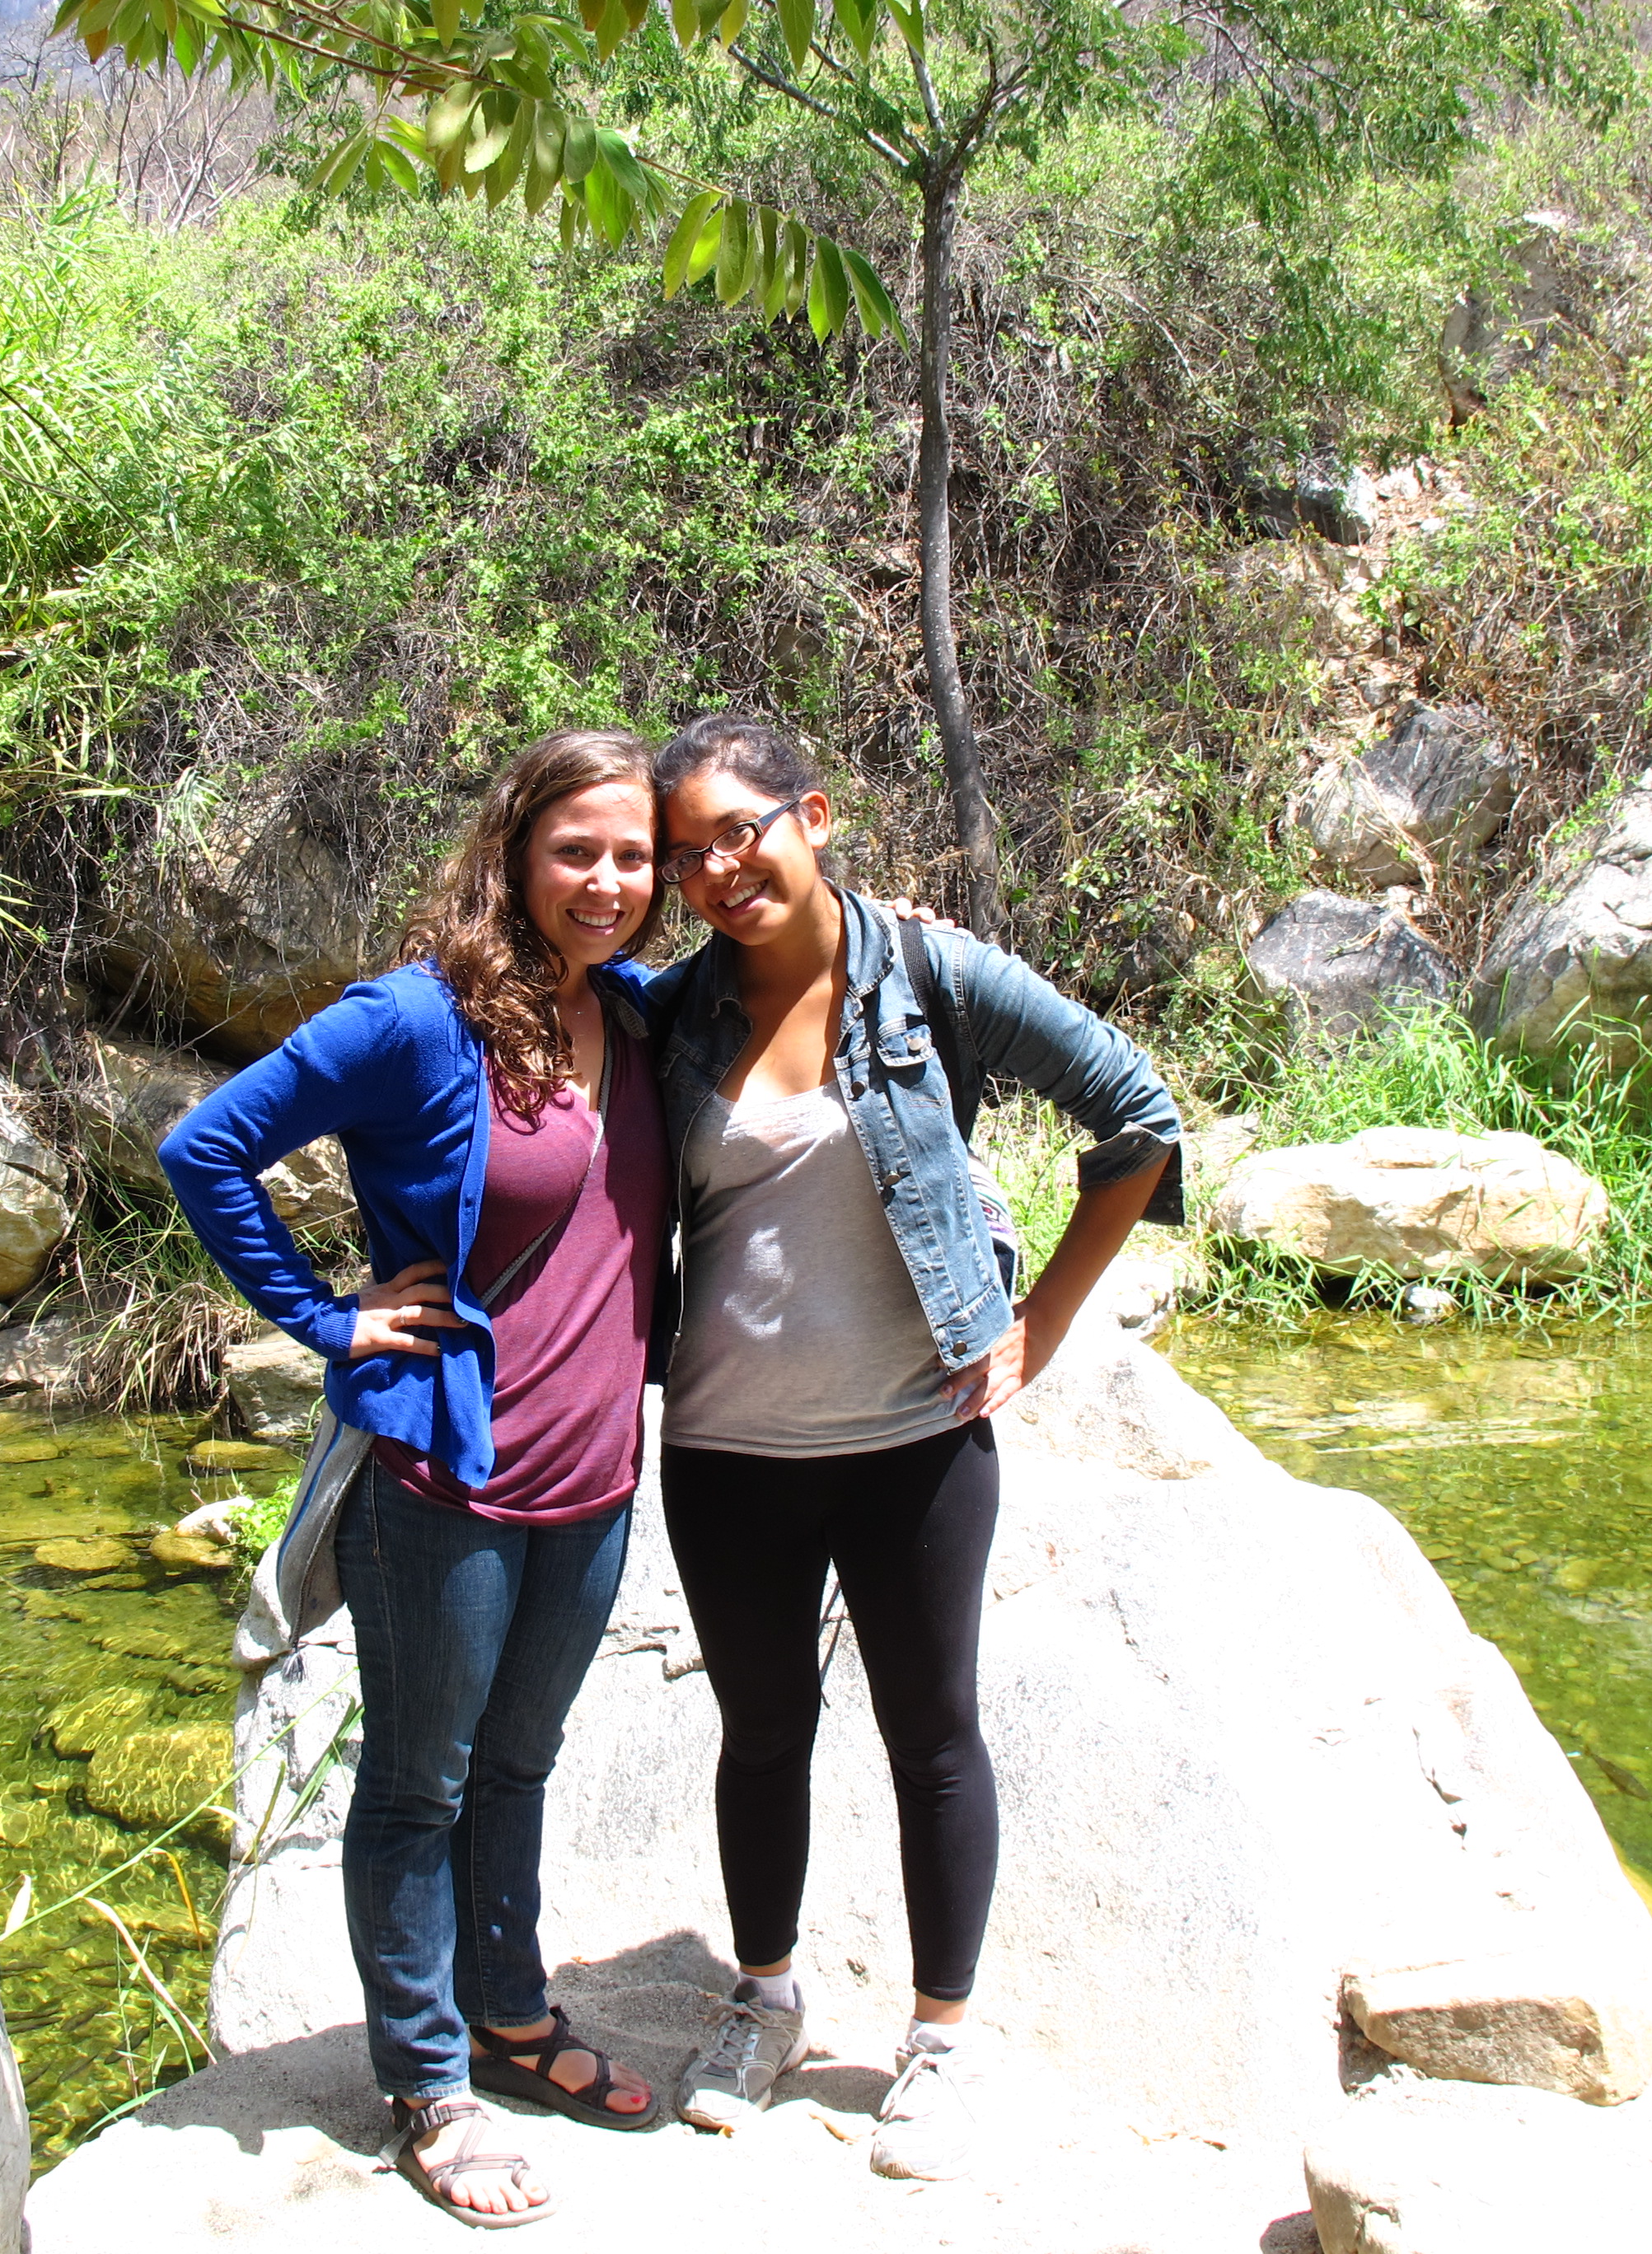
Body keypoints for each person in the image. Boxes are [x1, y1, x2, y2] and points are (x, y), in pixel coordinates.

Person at [645, 713, 1184, 2180]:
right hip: (728, 1447)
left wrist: (1041, 1327)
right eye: (686, 855)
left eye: (740, 832)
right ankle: (764, 2003)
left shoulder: (931, 973)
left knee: (931, 1733)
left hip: (913, 1440)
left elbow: (1137, 1118)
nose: (716, 872)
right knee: (762, 1733)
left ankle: (941, 2041)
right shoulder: (673, 1013)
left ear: (812, 816)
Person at [161, 730, 670, 2228]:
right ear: (515, 849)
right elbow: (207, 1149)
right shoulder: (413, 1019)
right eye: (577, 850)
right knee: (419, 1781)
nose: (608, 881)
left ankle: (508, 2018)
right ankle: (428, 2085)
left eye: (633, 856)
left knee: (518, 1765)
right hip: (446, 1476)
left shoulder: (635, 1011)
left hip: (593, 1476)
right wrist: (328, 1319)